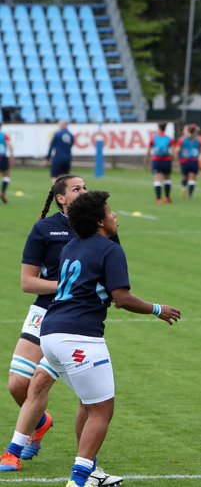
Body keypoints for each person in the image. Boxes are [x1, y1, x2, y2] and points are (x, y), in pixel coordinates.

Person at [38, 190, 180, 487]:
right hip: (80, 338)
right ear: (100, 221)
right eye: (110, 211)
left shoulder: (71, 245)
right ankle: (79, 480)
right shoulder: (109, 249)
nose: (115, 214)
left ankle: (90, 472)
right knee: (102, 409)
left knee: (89, 403)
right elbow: (122, 298)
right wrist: (157, 309)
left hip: (50, 334)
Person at [0, 177, 122, 486]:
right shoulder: (44, 229)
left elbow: (114, 278)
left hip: (75, 320)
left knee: (59, 388)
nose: (83, 192)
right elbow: (27, 282)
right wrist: (70, 285)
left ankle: (18, 452)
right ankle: (41, 426)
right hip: (45, 313)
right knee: (18, 383)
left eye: (85, 188)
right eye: (76, 189)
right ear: (60, 198)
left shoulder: (101, 228)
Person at [145, 122, 174, 204]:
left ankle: (158, 199)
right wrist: (175, 160)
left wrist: (146, 158)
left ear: (159, 128)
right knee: (167, 179)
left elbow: (149, 148)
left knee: (157, 179)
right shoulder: (169, 138)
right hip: (167, 160)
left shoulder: (154, 137)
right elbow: (173, 150)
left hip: (157, 160)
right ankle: (167, 197)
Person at [175, 123, 201, 199]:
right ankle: (190, 194)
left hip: (184, 161)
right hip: (194, 161)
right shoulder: (197, 140)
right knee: (192, 178)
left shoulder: (182, 140)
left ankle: (184, 187)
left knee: (184, 177)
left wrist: (177, 160)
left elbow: (177, 150)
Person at [46, 120, 74, 184]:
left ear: (62, 125)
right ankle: (64, 189)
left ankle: (57, 188)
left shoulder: (57, 134)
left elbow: (51, 146)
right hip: (67, 158)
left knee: (54, 176)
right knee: (65, 177)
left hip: (58, 157)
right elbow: (71, 145)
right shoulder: (71, 135)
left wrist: (47, 157)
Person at [0, 123, 13, 203]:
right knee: (6, 176)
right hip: (2, 157)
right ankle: (3, 192)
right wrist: (12, 156)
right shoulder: (4, 135)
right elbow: (9, 145)